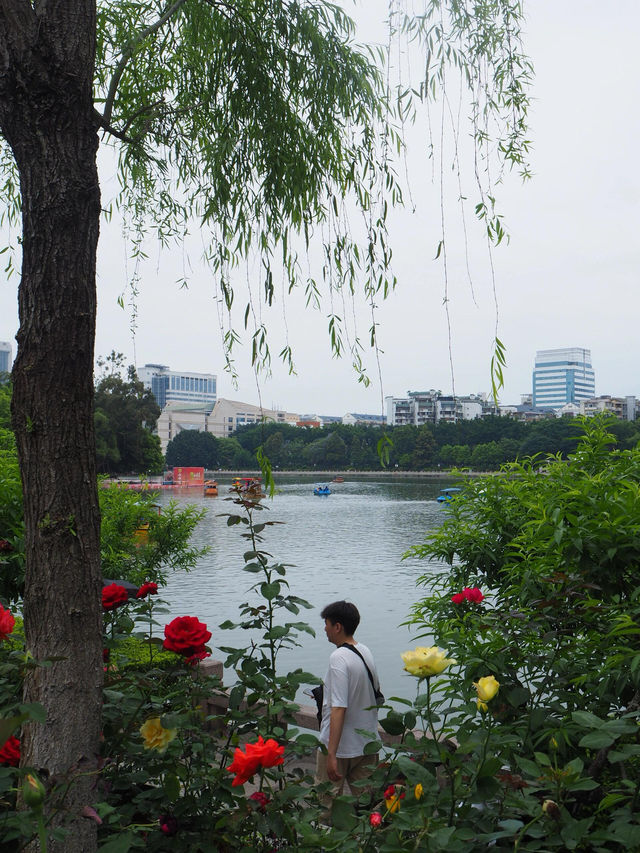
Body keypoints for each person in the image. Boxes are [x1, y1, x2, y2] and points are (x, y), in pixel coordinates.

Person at [315, 600, 381, 816]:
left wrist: (331, 754)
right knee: (367, 807)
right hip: (366, 744)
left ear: (337, 626)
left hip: (340, 747)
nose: (324, 628)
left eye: (326, 623)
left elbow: (338, 708)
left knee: (325, 805)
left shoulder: (338, 658)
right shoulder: (365, 651)